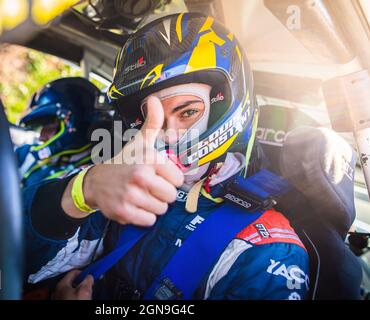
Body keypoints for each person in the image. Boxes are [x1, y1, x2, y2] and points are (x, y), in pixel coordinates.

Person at [23, 13, 309, 300]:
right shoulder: (114, 182)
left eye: (187, 112)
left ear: (223, 106)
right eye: (150, 118)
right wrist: (81, 192)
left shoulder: (266, 249)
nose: (168, 134)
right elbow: (16, 260)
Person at [16, 77, 105, 187]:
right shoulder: (25, 154)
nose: (41, 137)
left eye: (48, 124)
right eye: (40, 127)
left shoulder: (96, 174)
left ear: (74, 120)